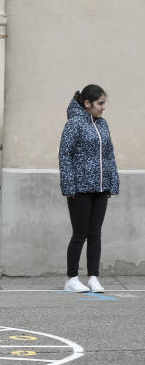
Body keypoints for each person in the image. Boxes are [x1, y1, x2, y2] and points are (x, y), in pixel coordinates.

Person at [58, 85, 119, 293]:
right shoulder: (74, 124)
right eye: (100, 103)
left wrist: (112, 183)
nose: (103, 108)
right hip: (80, 189)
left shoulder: (103, 124)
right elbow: (64, 155)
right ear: (87, 103)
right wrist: (69, 186)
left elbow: (109, 155)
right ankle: (71, 278)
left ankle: (93, 277)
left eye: (104, 103)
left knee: (95, 234)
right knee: (79, 234)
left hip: (101, 188)